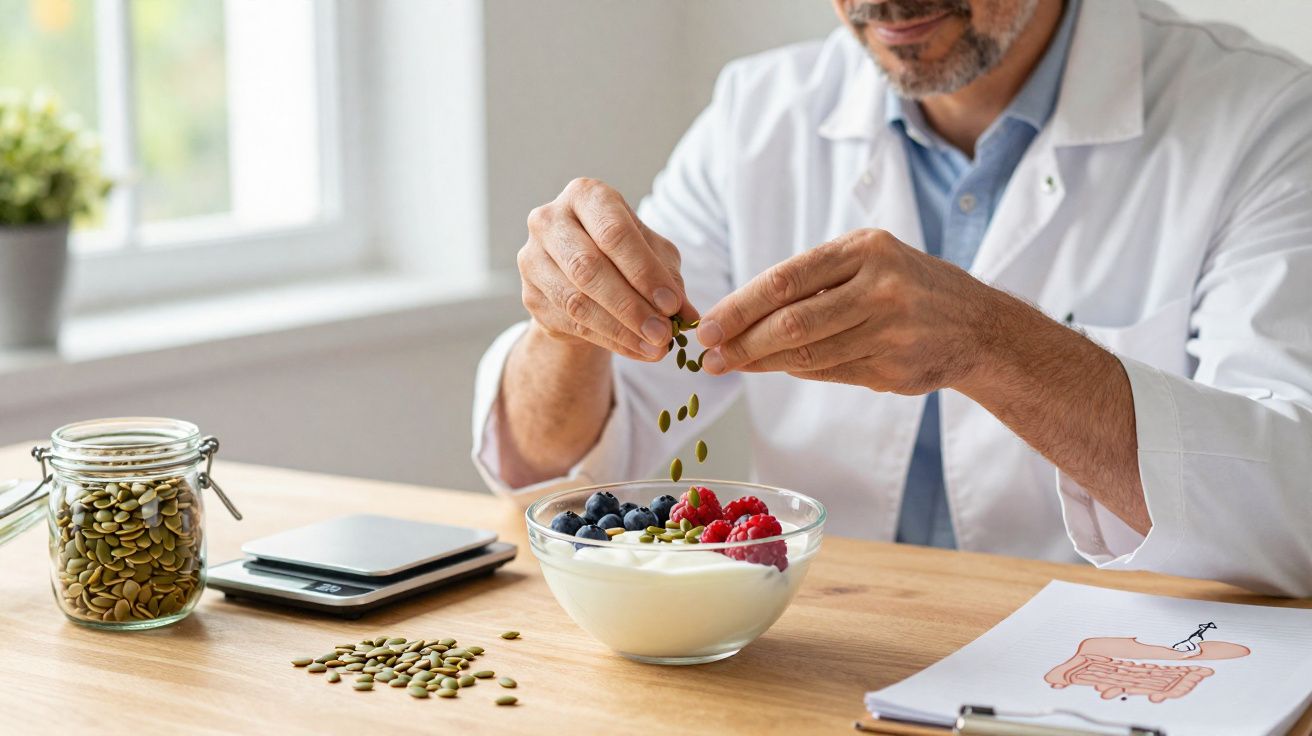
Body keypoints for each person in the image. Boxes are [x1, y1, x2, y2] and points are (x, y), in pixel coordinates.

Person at [471, 0, 1312, 597]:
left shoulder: (1266, 120)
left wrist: (993, 344)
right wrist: (567, 326)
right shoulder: (757, 115)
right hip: (826, 657)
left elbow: (1293, 511)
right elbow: (548, 467)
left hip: (1126, 668)